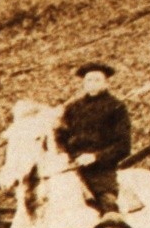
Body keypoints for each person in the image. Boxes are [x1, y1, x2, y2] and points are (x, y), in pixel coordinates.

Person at [55, 62, 132, 214]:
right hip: (70, 167)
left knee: (108, 203)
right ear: (83, 83)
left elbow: (123, 145)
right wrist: (65, 154)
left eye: (97, 80)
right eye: (89, 80)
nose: (93, 84)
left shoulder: (116, 107)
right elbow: (61, 136)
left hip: (100, 171)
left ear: (106, 83)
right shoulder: (72, 108)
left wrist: (95, 157)